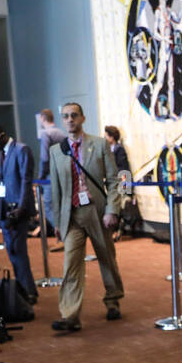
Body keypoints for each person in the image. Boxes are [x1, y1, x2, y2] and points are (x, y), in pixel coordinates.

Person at [48, 102, 124, 332]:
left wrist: (112, 210)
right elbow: (55, 190)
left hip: (97, 211)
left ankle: (113, 299)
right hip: (71, 216)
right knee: (70, 264)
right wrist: (57, 221)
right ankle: (70, 315)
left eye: (73, 115)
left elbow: (113, 180)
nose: (69, 119)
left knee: (106, 257)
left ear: (82, 118)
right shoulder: (56, 151)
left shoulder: (99, 145)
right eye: (65, 116)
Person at [0, 125, 38, 303]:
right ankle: (25, 290)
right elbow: (1, 183)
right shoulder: (1, 153)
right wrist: (0, 210)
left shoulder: (21, 150)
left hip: (19, 210)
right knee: (12, 251)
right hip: (6, 210)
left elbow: (26, 180)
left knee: (19, 251)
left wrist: (21, 208)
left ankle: (29, 291)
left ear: (2, 136)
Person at [35, 109, 65, 238]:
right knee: (61, 204)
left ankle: (62, 233)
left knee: (48, 205)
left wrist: (40, 176)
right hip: (63, 172)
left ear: (42, 118)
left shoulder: (46, 134)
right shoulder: (61, 133)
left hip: (50, 176)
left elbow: (45, 157)